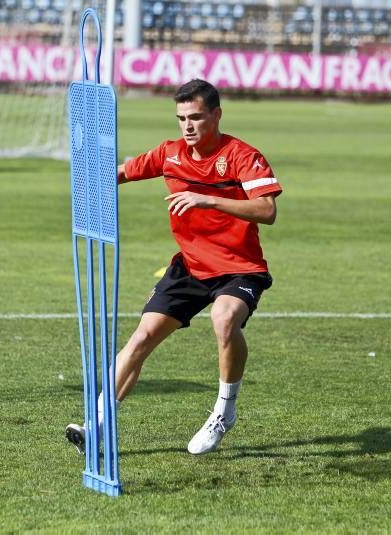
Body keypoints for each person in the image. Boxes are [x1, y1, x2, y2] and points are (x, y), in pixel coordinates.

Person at [66, 79, 282, 455]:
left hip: (239, 268)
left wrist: (208, 200)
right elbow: (122, 172)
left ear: (216, 114)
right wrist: (91, 177)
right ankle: (96, 426)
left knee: (224, 318)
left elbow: (267, 209)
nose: (188, 125)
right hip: (190, 268)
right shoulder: (169, 154)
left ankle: (223, 411)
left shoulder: (242, 155)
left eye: (196, 117)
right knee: (142, 338)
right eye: (182, 118)